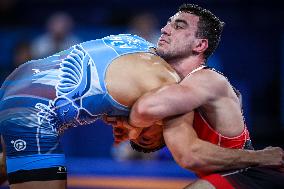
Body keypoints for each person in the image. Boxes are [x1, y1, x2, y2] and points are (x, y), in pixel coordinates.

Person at [111, 4, 284, 189]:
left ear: (199, 45)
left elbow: (144, 108)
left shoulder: (207, 79)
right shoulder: (179, 95)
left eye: (179, 26)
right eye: (168, 24)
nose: (165, 30)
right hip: (231, 173)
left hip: (252, 175)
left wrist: (259, 158)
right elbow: (188, 153)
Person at [0, 34, 180, 189]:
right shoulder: (166, 92)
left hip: (21, 76)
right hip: (34, 107)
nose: (133, 136)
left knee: (9, 163)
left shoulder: (137, 43)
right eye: (146, 138)